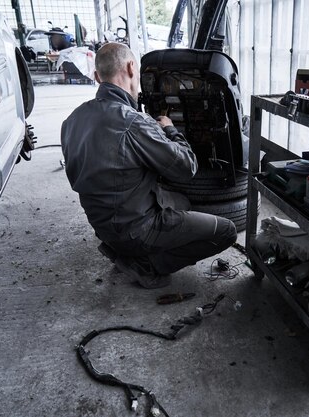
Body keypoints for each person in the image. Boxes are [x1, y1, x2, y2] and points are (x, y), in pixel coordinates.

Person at [61, 43, 237, 288]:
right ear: (132, 68)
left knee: (181, 202)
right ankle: (145, 265)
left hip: (102, 227)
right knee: (227, 231)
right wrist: (170, 130)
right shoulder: (134, 122)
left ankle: (120, 249)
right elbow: (187, 168)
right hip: (135, 230)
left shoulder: (72, 120)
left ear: (97, 76)